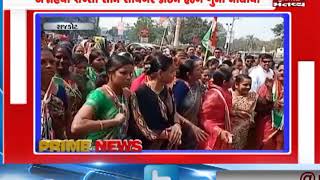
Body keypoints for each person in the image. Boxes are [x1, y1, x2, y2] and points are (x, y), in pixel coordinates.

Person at [71, 54, 134, 142]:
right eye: (123, 73)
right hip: (97, 150)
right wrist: (114, 121)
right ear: (109, 73)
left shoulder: (126, 94)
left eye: (131, 73)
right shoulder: (99, 95)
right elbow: (76, 126)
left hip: (118, 149)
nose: (128, 77)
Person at [173, 60, 208, 149]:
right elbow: (172, 111)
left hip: (192, 135)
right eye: (198, 70)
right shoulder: (181, 86)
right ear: (189, 74)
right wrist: (191, 126)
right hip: (180, 134)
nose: (201, 71)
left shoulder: (198, 84)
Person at [53, 44, 82, 139]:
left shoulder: (77, 79)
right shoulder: (49, 80)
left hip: (76, 128)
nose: (61, 60)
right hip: (55, 131)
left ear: (70, 60)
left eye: (65, 58)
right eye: (58, 57)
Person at [200, 67, 233, 150]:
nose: (234, 80)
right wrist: (218, 131)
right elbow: (204, 119)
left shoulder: (225, 92)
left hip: (223, 134)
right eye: (232, 78)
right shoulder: (213, 96)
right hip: (212, 138)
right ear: (225, 82)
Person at [256, 62, 284, 150]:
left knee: (281, 143)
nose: (283, 72)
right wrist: (269, 89)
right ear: (275, 71)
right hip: (269, 121)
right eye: (280, 70)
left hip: (285, 123)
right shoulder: (269, 84)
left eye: (286, 70)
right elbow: (261, 104)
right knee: (267, 144)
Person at [41, 48, 66, 140]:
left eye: (52, 62)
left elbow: (66, 122)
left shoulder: (61, 91)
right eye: (42, 62)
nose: (49, 66)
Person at [231, 74, 258, 149]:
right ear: (236, 85)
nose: (248, 87)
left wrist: (268, 88)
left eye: (250, 85)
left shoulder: (252, 96)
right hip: (229, 132)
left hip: (245, 134)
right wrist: (235, 113)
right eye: (245, 85)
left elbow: (265, 103)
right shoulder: (228, 94)